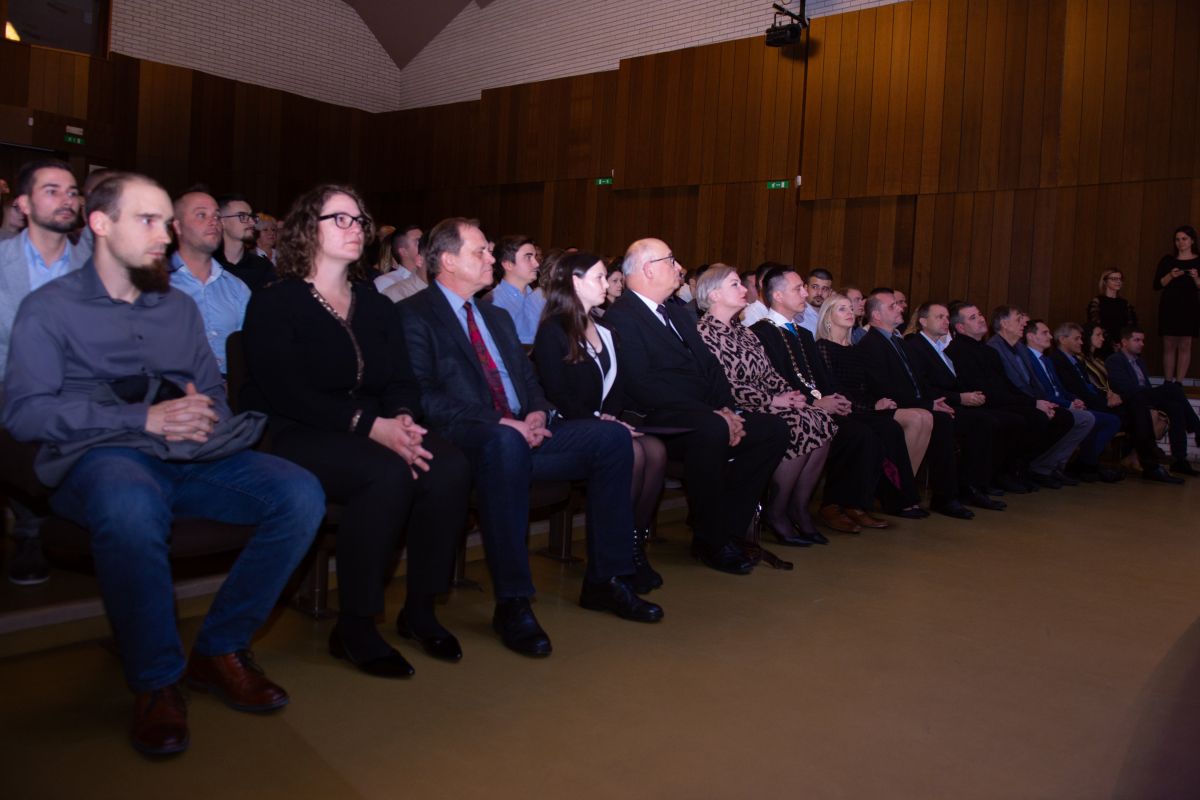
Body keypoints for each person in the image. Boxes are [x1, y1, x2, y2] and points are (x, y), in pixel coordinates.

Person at [2, 171, 324, 756]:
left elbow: (214, 391)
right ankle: (156, 680)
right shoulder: (49, 308)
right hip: (102, 456)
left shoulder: (176, 308)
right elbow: (25, 412)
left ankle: (220, 649)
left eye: (167, 222)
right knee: (130, 502)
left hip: (188, 453)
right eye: (148, 220)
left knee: (300, 493)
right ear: (100, 224)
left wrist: (205, 415)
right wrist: (141, 420)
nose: (165, 234)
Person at [400, 218, 663, 658]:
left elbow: (528, 380)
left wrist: (539, 412)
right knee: (505, 445)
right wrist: (502, 423)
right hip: (467, 439)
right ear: (447, 261)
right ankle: (513, 601)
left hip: (523, 432)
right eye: (481, 251)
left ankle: (606, 579)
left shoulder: (496, 317)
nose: (491, 258)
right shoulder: (414, 314)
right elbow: (424, 394)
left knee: (612, 439)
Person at [241, 186, 471, 677]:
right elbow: (287, 393)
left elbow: (402, 379)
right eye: (340, 219)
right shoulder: (275, 302)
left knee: (449, 466)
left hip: (378, 423)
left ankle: (420, 610)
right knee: (385, 474)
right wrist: (370, 426)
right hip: (302, 430)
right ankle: (356, 625)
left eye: (359, 220)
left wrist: (403, 417)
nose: (355, 228)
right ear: (308, 228)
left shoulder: (376, 304)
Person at [602, 238, 789, 575]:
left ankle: (728, 529)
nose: (680, 268)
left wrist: (728, 409)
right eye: (671, 260)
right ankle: (711, 540)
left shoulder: (676, 313)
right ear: (648, 269)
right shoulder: (623, 315)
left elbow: (711, 369)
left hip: (701, 414)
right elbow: (643, 384)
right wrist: (712, 414)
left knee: (773, 429)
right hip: (655, 416)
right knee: (712, 429)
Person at [531, 251, 667, 591]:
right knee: (634, 452)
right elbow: (558, 392)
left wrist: (610, 417)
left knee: (655, 450)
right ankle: (616, 557)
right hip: (567, 425)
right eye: (599, 277)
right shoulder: (553, 330)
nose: (607, 284)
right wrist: (599, 420)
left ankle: (633, 545)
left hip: (604, 424)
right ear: (575, 283)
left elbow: (617, 388)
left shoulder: (607, 330)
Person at [751, 267, 906, 531]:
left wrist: (833, 399)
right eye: (799, 289)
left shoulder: (802, 334)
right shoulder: (761, 332)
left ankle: (831, 505)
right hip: (789, 408)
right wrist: (816, 402)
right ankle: (802, 508)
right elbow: (774, 381)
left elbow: (820, 379)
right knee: (857, 433)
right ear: (777, 295)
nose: (805, 294)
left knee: (880, 427)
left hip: (816, 405)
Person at [694, 265, 837, 545]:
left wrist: (790, 396)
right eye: (735, 285)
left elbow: (769, 375)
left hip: (765, 402)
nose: (745, 289)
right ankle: (777, 511)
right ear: (713, 295)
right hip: (736, 407)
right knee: (797, 423)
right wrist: (772, 400)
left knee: (821, 420)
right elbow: (725, 385)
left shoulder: (744, 333)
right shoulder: (704, 333)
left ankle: (797, 507)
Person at [0, 158, 90, 586]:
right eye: (52, 191)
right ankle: (29, 531)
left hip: (79, 385)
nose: (66, 199)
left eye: (72, 192)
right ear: (22, 204)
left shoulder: (96, 268)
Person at [855, 292, 976, 519]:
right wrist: (927, 404)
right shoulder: (870, 344)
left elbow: (917, 380)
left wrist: (933, 402)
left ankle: (913, 492)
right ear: (876, 315)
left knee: (943, 419)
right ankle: (902, 492)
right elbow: (883, 387)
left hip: (910, 403)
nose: (900, 308)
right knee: (932, 418)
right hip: (885, 406)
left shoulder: (897, 341)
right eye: (892, 306)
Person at [814, 294, 930, 518]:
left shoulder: (855, 348)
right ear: (827, 317)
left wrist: (877, 403)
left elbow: (864, 388)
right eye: (842, 309)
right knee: (869, 433)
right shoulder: (822, 347)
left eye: (850, 309)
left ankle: (894, 498)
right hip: (841, 410)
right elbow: (833, 388)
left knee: (891, 428)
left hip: (859, 408)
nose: (850, 312)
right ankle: (852, 504)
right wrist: (871, 407)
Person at [945, 303, 1075, 490]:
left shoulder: (988, 351)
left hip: (998, 400)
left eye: (980, 314)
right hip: (981, 403)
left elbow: (1007, 385)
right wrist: (1031, 403)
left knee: (1060, 417)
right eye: (973, 318)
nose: (981, 319)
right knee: (1025, 419)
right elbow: (984, 391)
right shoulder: (957, 351)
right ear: (960, 327)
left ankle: (1018, 469)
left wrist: (1035, 402)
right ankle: (1001, 473)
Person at [904, 302, 1017, 504]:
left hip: (948, 402)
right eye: (939, 317)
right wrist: (960, 398)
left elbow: (953, 382)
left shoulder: (940, 348)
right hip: (932, 405)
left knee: (986, 420)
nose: (946, 321)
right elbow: (922, 387)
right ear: (923, 321)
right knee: (979, 422)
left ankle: (974, 485)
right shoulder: (915, 347)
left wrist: (967, 395)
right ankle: (954, 492)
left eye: (947, 317)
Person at [986, 306, 1093, 487]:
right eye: (1018, 320)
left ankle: (1035, 467)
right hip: (1012, 402)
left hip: (1027, 400)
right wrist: (1035, 403)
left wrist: (1045, 402)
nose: (1023, 324)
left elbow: (1034, 382)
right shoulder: (994, 348)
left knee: (1064, 418)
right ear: (1004, 324)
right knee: (1038, 419)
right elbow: (1013, 384)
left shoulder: (1020, 347)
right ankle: (1018, 470)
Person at [1052, 322, 1172, 481]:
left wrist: (1109, 395)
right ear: (1062, 339)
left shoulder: (1075, 360)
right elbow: (1076, 390)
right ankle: (1089, 463)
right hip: (1083, 403)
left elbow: (1091, 387)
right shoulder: (1059, 360)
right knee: (1131, 413)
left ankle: (1147, 462)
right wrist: (1105, 401)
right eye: (1077, 338)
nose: (1081, 341)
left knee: (1140, 408)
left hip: (1095, 400)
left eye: (1081, 338)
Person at [1023, 319, 1122, 482]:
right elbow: (1040, 392)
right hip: (1047, 404)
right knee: (1087, 418)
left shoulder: (1046, 360)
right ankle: (1053, 466)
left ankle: (1057, 466)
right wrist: (1069, 404)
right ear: (1031, 337)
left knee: (1093, 418)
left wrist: (1073, 399)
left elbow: (1060, 388)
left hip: (1060, 402)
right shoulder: (1029, 359)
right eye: (1045, 333)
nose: (1050, 336)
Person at [169, 190, 251, 375]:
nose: (214, 221)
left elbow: (247, 350)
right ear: (178, 226)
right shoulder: (157, 285)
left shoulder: (236, 288)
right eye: (201, 215)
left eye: (217, 216)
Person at [1106, 327, 1200, 478]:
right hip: (1132, 398)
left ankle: (1180, 460)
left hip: (1144, 396)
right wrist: (1148, 394)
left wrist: (1151, 395)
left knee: (1176, 407)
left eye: (1142, 340)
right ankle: (1197, 429)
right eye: (1137, 340)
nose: (1141, 344)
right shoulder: (1115, 360)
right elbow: (1123, 387)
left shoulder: (1140, 361)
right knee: (1173, 389)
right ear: (1124, 342)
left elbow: (1147, 386)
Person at [1153, 225, 1200, 383]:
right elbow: (1157, 284)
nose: (1181, 242)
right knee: (1169, 344)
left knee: (1185, 344)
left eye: (1184, 239)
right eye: (1177, 239)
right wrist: (1171, 275)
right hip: (1170, 305)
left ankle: (1179, 383)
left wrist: (1196, 278)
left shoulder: (1198, 260)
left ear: (1192, 240)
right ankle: (1168, 382)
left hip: (1190, 306)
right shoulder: (1168, 260)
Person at [486, 234, 544, 345]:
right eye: (528, 257)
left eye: (535, 257)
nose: (536, 264)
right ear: (508, 264)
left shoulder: (539, 296)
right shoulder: (494, 302)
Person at [214, 194, 275, 292]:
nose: (252, 222)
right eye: (242, 216)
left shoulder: (263, 267)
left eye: (251, 216)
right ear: (222, 221)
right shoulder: (208, 265)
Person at [1086, 269, 1137, 358]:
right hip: (1103, 343)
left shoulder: (1125, 303)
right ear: (1105, 282)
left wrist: (1123, 342)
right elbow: (1096, 324)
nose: (1118, 281)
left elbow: (1131, 325)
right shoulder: (1098, 302)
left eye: (1120, 279)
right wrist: (1111, 343)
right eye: (1114, 279)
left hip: (1122, 345)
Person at [796, 268, 832, 334]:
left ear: (830, 292)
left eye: (825, 289)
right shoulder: (796, 316)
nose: (819, 293)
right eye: (815, 287)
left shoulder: (833, 316)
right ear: (805, 288)